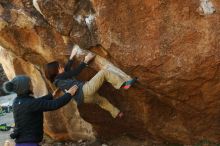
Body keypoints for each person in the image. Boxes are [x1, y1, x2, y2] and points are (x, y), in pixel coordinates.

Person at [45, 48, 137, 119]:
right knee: (104, 73)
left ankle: (116, 113)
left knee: (102, 101)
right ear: (55, 72)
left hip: (84, 99)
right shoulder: (59, 78)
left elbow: (67, 71)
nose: (62, 68)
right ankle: (124, 84)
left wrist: (71, 58)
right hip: (85, 91)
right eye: (60, 67)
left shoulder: (58, 80)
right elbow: (74, 73)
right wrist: (85, 61)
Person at [3, 75, 78, 146]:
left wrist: (51, 96)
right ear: (25, 88)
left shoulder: (17, 102)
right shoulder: (31, 103)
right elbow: (55, 104)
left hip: (22, 142)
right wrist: (69, 94)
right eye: (30, 84)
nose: (32, 85)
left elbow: (36, 103)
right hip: (29, 144)